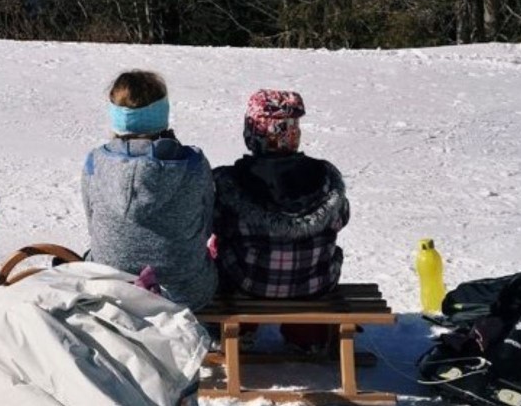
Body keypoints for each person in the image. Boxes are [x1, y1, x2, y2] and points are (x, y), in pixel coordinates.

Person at [213, 89, 349, 351]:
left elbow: (215, 224)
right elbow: (341, 219)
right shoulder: (325, 177)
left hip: (249, 284)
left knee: (219, 248)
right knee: (320, 250)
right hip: (314, 285)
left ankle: (241, 330)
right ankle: (308, 335)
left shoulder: (230, 181)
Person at [80, 70, 218, 310]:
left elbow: (93, 224)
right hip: (184, 294)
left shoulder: (96, 162)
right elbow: (205, 224)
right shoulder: (194, 164)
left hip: (109, 291)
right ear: (162, 113)